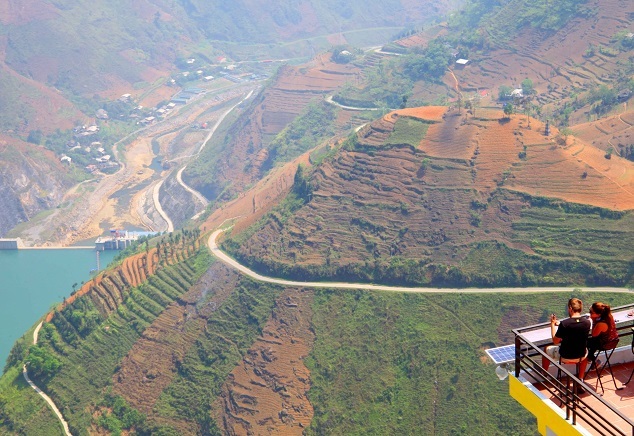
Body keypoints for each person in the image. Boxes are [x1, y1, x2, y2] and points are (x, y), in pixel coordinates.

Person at [542, 298, 592, 378]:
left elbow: (555, 341)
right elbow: (576, 327)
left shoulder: (565, 324)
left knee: (546, 349)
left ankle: (544, 374)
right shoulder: (587, 322)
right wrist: (561, 325)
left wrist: (552, 324)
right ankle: (580, 379)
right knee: (585, 353)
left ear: (570, 308)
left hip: (565, 356)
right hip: (580, 356)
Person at [587, 302, 619, 366]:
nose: (590, 314)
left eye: (591, 312)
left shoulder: (601, 324)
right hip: (613, 341)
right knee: (591, 342)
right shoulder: (609, 316)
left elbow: (594, 334)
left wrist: (593, 321)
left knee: (583, 342)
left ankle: (593, 359)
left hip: (606, 344)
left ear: (598, 314)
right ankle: (590, 357)